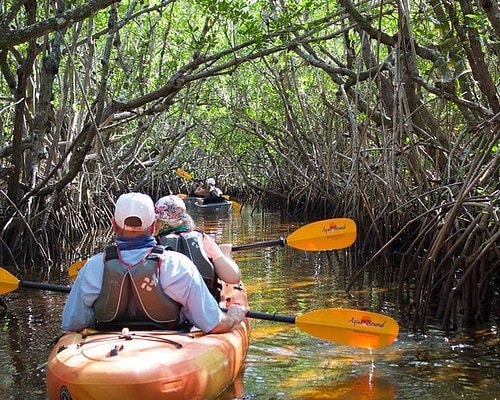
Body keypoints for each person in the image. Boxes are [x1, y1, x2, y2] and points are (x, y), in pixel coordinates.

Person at [61, 192, 247, 334]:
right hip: (168, 347)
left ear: (113, 225)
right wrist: (231, 318)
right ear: (153, 226)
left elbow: (73, 323)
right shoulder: (177, 265)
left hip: (106, 349)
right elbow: (213, 324)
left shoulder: (93, 267)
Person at [154, 195, 240, 299]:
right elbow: (233, 277)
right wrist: (226, 255)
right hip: (203, 302)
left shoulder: (154, 244)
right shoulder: (203, 239)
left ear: (158, 221)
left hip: (169, 306)